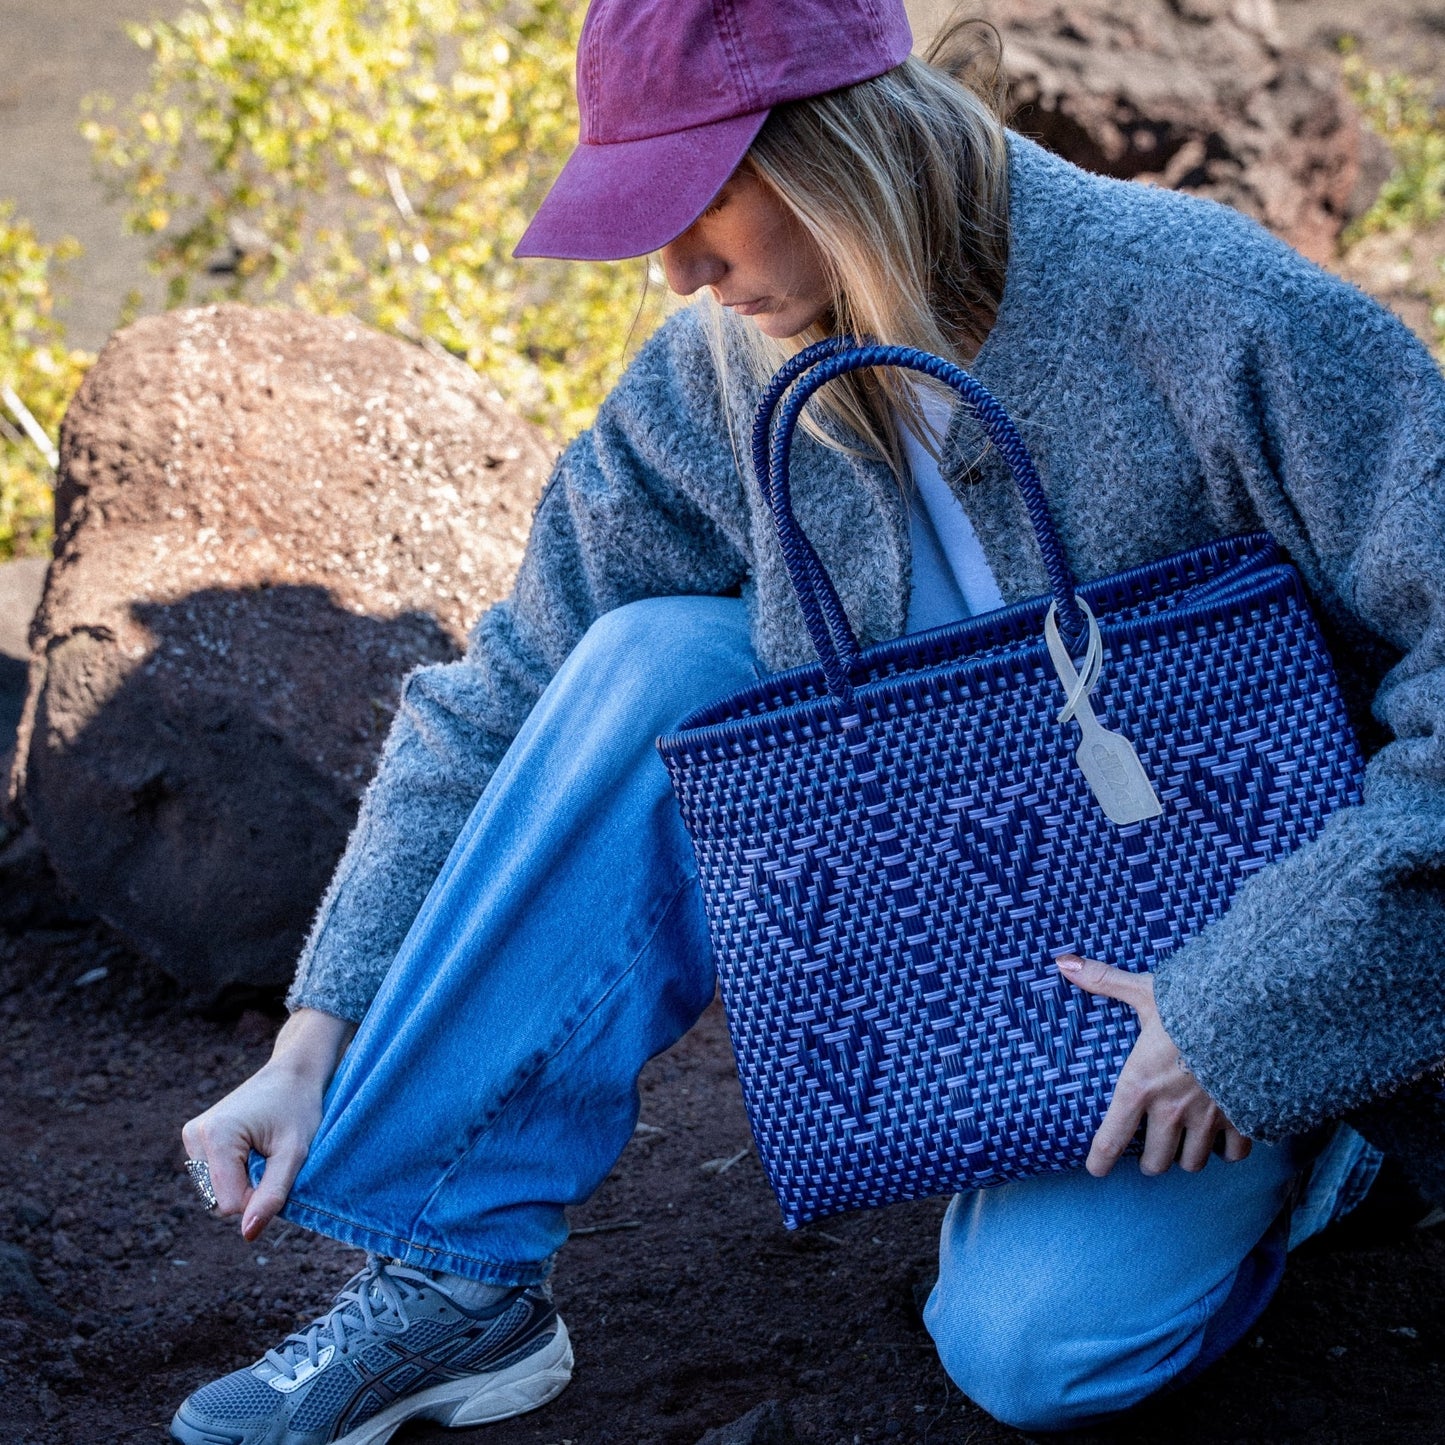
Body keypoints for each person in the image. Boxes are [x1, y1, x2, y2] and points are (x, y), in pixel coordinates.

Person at [169, 0, 1445, 1440]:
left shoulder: (1207, 307)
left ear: (848, 149)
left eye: (702, 203)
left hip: (1236, 936)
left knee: (1031, 1351)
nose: (673, 269)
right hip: (953, 916)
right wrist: (313, 1037)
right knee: (649, 660)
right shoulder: (717, 368)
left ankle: (1321, 1139)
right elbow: (504, 687)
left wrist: (1261, 1011)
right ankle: (456, 1268)